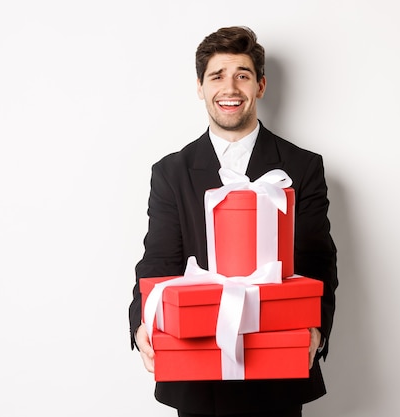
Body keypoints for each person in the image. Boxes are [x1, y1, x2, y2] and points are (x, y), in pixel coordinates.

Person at [128, 26, 338, 417]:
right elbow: (158, 260)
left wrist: (315, 328)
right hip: (197, 370)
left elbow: (317, 260)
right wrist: (142, 321)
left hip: (278, 371)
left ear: (260, 86)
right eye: (217, 76)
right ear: (200, 86)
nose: (230, 88)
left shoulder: (303, 166)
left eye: (242, 75)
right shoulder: (171, 172)